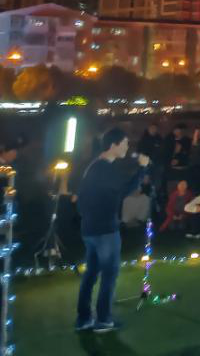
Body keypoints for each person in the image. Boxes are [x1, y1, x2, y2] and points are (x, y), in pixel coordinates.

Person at [75, 127, 151, 333]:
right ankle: (103, 319)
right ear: (113, 145)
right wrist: (142, 169)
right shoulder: (105, 168)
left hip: (90, 228)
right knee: (109, 275)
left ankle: (84, 318)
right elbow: (124, 190)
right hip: (105, 230)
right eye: (124, 143)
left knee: (91, 273)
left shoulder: (93, 167)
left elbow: (81, 200)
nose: (127, 147)